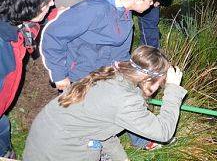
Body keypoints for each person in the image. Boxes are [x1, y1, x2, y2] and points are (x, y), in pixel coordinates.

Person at [23, 46, 186, 161]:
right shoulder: (125, 100)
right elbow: (164, 132)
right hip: (58, 152)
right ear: (149, 79)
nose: (160, 88)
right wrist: (173, 89)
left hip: (42, 141)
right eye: (161, 83)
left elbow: (101, 129)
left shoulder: (111, 75)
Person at [39, 0, 170, 91]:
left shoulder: (125, 12)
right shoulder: (93, 10)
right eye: (150, 0)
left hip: (101, 75)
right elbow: (53, 35)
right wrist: (59, 75)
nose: (152, 4)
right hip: (78, 76)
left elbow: (121, 51)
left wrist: (129, 76)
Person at [0, 0, 55, 159]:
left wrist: (56, 14)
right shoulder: (3, 49)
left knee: (3, 126)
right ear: (28, 7)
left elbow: (33, 26)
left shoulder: (13, 20)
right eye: (47, 2)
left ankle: (6, 150)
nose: (52, 2)